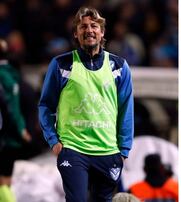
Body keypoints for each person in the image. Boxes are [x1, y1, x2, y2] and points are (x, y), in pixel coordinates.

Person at [38, 7, 134, 202]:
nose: (89, 30)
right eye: (83, 27)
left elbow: (126, 109)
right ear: (76, 33)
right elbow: (45, 106)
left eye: (94, 26)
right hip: (73, 150)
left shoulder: (119, 66)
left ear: (102, 31)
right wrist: (54, 142)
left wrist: (123, 150)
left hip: (108, 151)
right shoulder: (61, 64)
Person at [0, 39, 32, 202]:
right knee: (5, 179)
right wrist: (20, 128)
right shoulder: (9, 76)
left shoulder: (7, 77)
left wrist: (19, 128)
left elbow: (11, 108)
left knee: (5, 179)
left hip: (6, 135)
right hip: (8, 135)